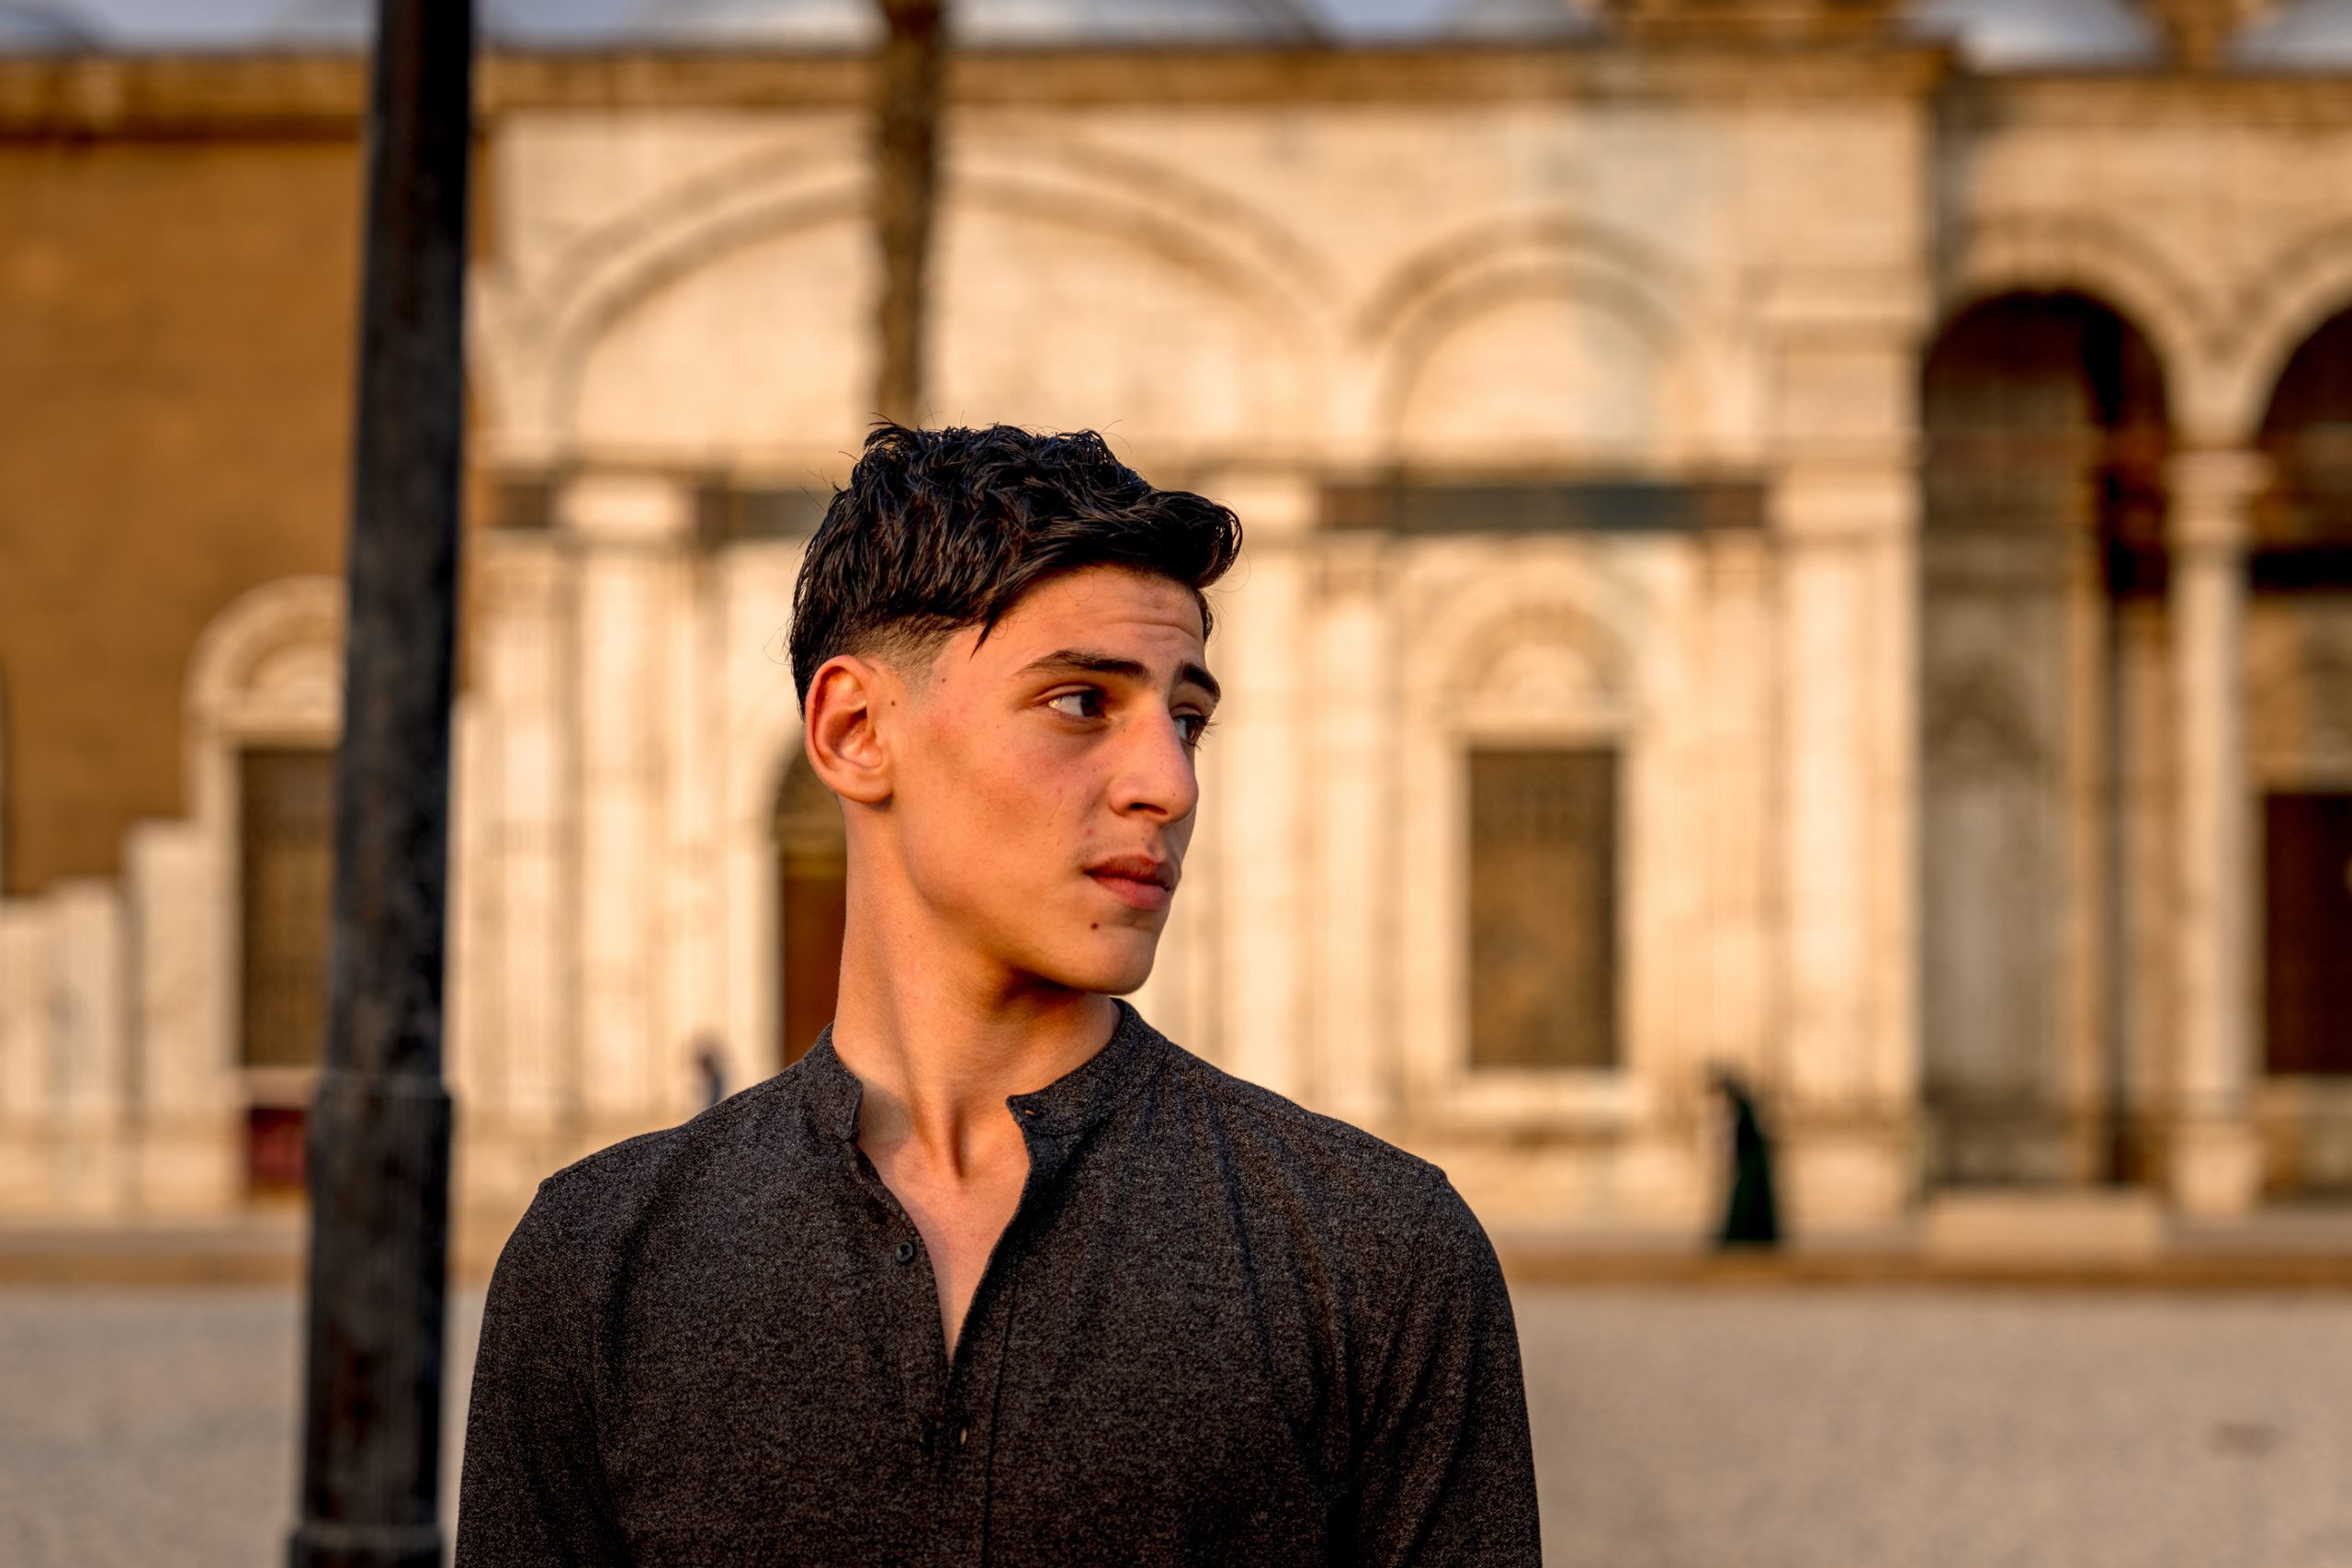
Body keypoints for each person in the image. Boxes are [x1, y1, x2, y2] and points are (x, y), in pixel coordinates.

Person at [456, 423, 1541, 1566]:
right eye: (1081, 703)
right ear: (855, 730)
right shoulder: (595, 1265)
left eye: (1187, 718)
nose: (1168, 785)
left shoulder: (1378, 1257)